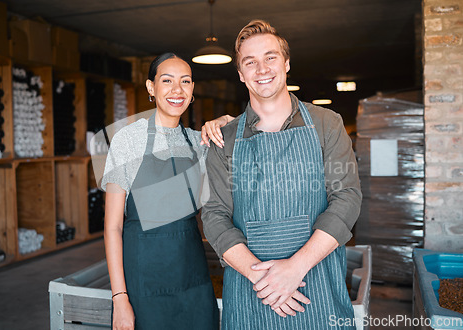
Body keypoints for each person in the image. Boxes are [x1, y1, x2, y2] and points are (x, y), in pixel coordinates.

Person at [201, 20, 362, 329]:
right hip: (252, 295)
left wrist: (294, 269)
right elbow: (214, 215)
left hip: (318, 287)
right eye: (251, 62)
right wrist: (264, 279)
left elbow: (347, 199)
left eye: (270, 57)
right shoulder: (223, 139)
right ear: (240, 74)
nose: (262, 68)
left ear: (286, 63)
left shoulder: (327, 124)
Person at [102, 53, 232, 330]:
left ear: (193, 89)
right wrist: (120, 298)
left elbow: (245, 132)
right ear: (151, 88)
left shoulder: (200, 142)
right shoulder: (128, 140)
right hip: (144, 283)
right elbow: (113, 227)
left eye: (185, 81)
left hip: (193, 277)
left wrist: (223, 121)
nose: (177, 90)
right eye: (167, 80)